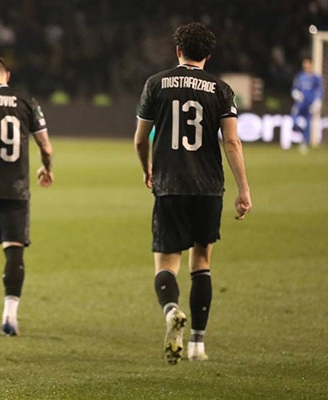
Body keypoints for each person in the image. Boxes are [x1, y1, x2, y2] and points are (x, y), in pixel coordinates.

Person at [133, 22, 252, 364]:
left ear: (178, 51)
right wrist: (243, 189)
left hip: (170, 185)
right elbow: (232, 141)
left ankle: (172, 310)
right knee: (201, 262)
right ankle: (198, 345)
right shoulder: (221, 89)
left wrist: (147, 168)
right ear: (208, 55)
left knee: (166, 264)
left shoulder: (156, 83)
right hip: (208, 187)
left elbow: (140, 139)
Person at [0, 52, 54, 337]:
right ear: (7, 76)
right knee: (14, 249)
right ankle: (10, 316)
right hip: (15, 189)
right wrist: (46, 168)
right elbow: (45, 146)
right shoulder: (25, 100)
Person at [291, 57, 323, 153]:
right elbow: (294, 88)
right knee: (294, 120)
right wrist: (296, 93)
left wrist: (317, 102)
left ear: (311, 64)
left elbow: (319, 91)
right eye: (304, 63)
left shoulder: (316, 78)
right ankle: (300, 131)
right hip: (300, 103)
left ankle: (305, 142)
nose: (305, 65)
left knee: (308, 122)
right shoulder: (300, 76)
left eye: (307, 63)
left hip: (310, 104)